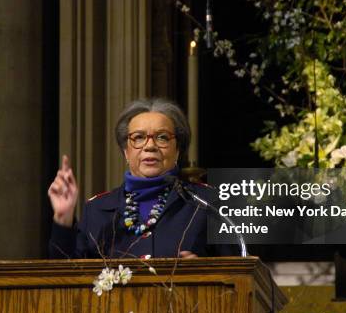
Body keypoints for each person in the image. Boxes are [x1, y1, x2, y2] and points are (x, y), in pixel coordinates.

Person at [48, 98, 236, 259]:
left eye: (162, 137)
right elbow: (67, 278)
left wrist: (206, 273)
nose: (150, 146)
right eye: (138, 138)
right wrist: (63, 219)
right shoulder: (97, 210)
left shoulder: (209, 203)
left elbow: (239, 276)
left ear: (177, 150)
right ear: (125, 151)